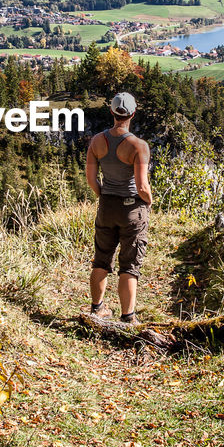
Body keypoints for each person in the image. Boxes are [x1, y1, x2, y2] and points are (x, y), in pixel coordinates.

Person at [84, 91, 151, 324]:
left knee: (101, 259)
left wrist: (103, 195)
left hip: (106, 205)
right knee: (129, 264)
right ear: (133, 113)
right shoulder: (138, 146)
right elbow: (142, 185)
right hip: (131, 208)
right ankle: (128, 317)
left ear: (111, 112)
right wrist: (149, 201)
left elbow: (92, 179)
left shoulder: (96, 142)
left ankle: (97, 308)